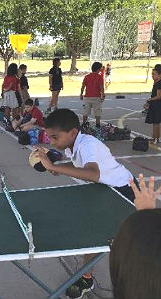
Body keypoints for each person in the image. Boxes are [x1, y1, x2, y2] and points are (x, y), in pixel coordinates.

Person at [34, 109, 138, 299]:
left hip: (124, 192)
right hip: (106, 190)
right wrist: (58, 167)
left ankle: (139, 283)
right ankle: (86, 277)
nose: (51, 142)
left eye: (55, 137)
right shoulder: (74, 144)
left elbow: (93, 173)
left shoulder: (87, 145)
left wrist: (52, 167)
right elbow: (80, 166)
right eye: (49, 137)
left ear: (73, 132)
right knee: (93, 236)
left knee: (120, 241)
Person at [80, 62, 105, 128]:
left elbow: (83, 86)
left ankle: (84, 123)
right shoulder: (99, 77)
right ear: (98, 69)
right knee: (97, 111)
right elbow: (101, 87)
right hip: (96, 97)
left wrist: (81, 94)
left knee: (86, 111)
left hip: (87, 96)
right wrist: (103, 95)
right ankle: (97, 124)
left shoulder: (87, 76)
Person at [144, 64, 161, 144]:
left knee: (156, 123)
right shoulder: (156, 83)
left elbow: (158, 96)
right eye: (152, 74)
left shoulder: (159, 84)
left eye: (154, 74)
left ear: (159, 74)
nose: (152, 76)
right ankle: (155, 138)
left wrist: (149, 100)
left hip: (157, 105)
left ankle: (156, 139)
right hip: (155, 105)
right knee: (155, 123)